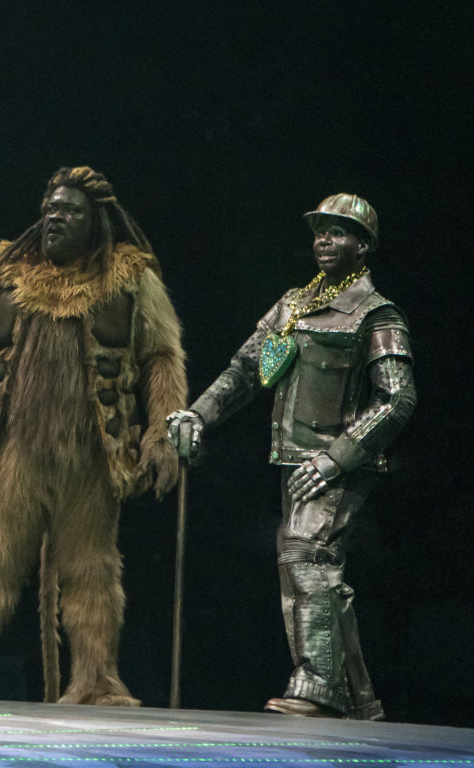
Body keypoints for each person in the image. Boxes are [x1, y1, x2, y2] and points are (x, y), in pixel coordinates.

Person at [0, 167, 187, 706]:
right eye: (50, 207)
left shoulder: (129, 276)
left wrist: (162, 435)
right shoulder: (6, 273)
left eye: (70, 210)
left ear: (97, 220)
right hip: (15, 449)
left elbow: (162, 356)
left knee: (93, 568)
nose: (54, 217)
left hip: (94, 452)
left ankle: (96, 679)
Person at [166, 193, 415, 719]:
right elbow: (244, 372)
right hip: (293, 459)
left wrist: (337, 457)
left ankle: (319, 686)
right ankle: (360, 701)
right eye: (320, 231)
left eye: (339, 232)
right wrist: (198, 415)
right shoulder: (292, 305)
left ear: (363, 245)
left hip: (336, 463)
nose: (325, 240)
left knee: (306, 554)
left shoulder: (376, 314)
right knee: (313, 568)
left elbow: (397, 399)